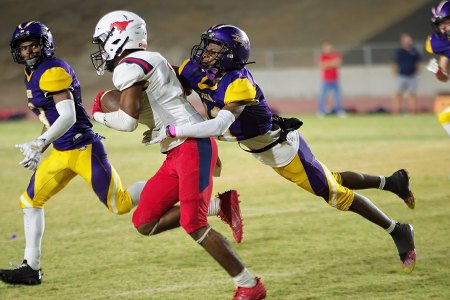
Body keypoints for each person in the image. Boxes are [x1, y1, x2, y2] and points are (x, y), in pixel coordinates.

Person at [156, 24, 417, 275]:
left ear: (231, 55)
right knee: (331, 179)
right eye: (207, 47)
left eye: (214, 49)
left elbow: (219, 125)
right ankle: (393, 182)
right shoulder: (198, 69)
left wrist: (173, 131)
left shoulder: (238, 83)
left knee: (336, 195)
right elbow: (166, 78)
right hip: (263, 149)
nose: (206, 54)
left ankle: (398, 230)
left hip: (283, 150)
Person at [89, 11, 266, 299]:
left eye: (103, 40)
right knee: (144, 223)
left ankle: (249, 285)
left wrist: (97, 114)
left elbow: (127, 122)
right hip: (177, 149)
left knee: (193, 224)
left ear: (117, 37)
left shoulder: (128, 67)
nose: (101, 48)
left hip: (192, 144)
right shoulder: (153, 58)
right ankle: (219, 205)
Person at [0, 21, 146, 286]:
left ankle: (169, 185)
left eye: (34, 45)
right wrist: (41, 145)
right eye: (23, 48)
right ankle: (30, 268)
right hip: (61, 151)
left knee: (120, 205)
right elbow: (51, 117)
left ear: (45, 46)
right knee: (30, 202)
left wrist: (40, 141)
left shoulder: (52, 70)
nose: (29, 51)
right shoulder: (30, 73)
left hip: (83, 148)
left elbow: (67, 116)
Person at [426, 0, 450, 136]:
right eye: (439, 24)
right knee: (445, 118)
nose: (443, 28)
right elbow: (444, 77)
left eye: (446, 22)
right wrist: (438, 72)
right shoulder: (441, 43)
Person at [392, 33, 422, 115]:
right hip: (401, 76)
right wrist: (395, 75)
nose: (408, 42)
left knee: (412, 94)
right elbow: (395, 64)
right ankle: (396, 113)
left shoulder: (415, 51)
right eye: (406, 40)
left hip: (412, 76)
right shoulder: (399, 52)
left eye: (409, 40)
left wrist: (418, 74)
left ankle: (412, 113)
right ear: (402, 42)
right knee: (398, 94)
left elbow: (418, 63)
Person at [317, 41, 345, 117]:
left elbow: (338, 64)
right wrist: (332, 63)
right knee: (323, 96)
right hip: (326, 80)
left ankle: (339, 111)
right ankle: (320, 111)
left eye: (329, 48)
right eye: (326, 48)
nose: (327, 49)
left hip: (335, 80)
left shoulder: (336, 55)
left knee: (337, 96)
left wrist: (328, 64)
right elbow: (322, 66)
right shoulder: (323, 56)